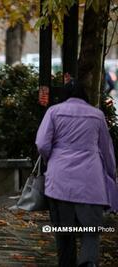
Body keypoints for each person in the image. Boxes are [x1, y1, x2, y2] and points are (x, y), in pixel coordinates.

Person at [36, 80, 118, 267]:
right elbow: (107, 150)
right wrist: (111, 174)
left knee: (64, 232)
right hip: (91, 182)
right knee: (91, 231)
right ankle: (88, 262)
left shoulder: (54, 112)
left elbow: (41, 143)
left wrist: (53, 160)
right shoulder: (97, 115)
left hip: (60, 181)